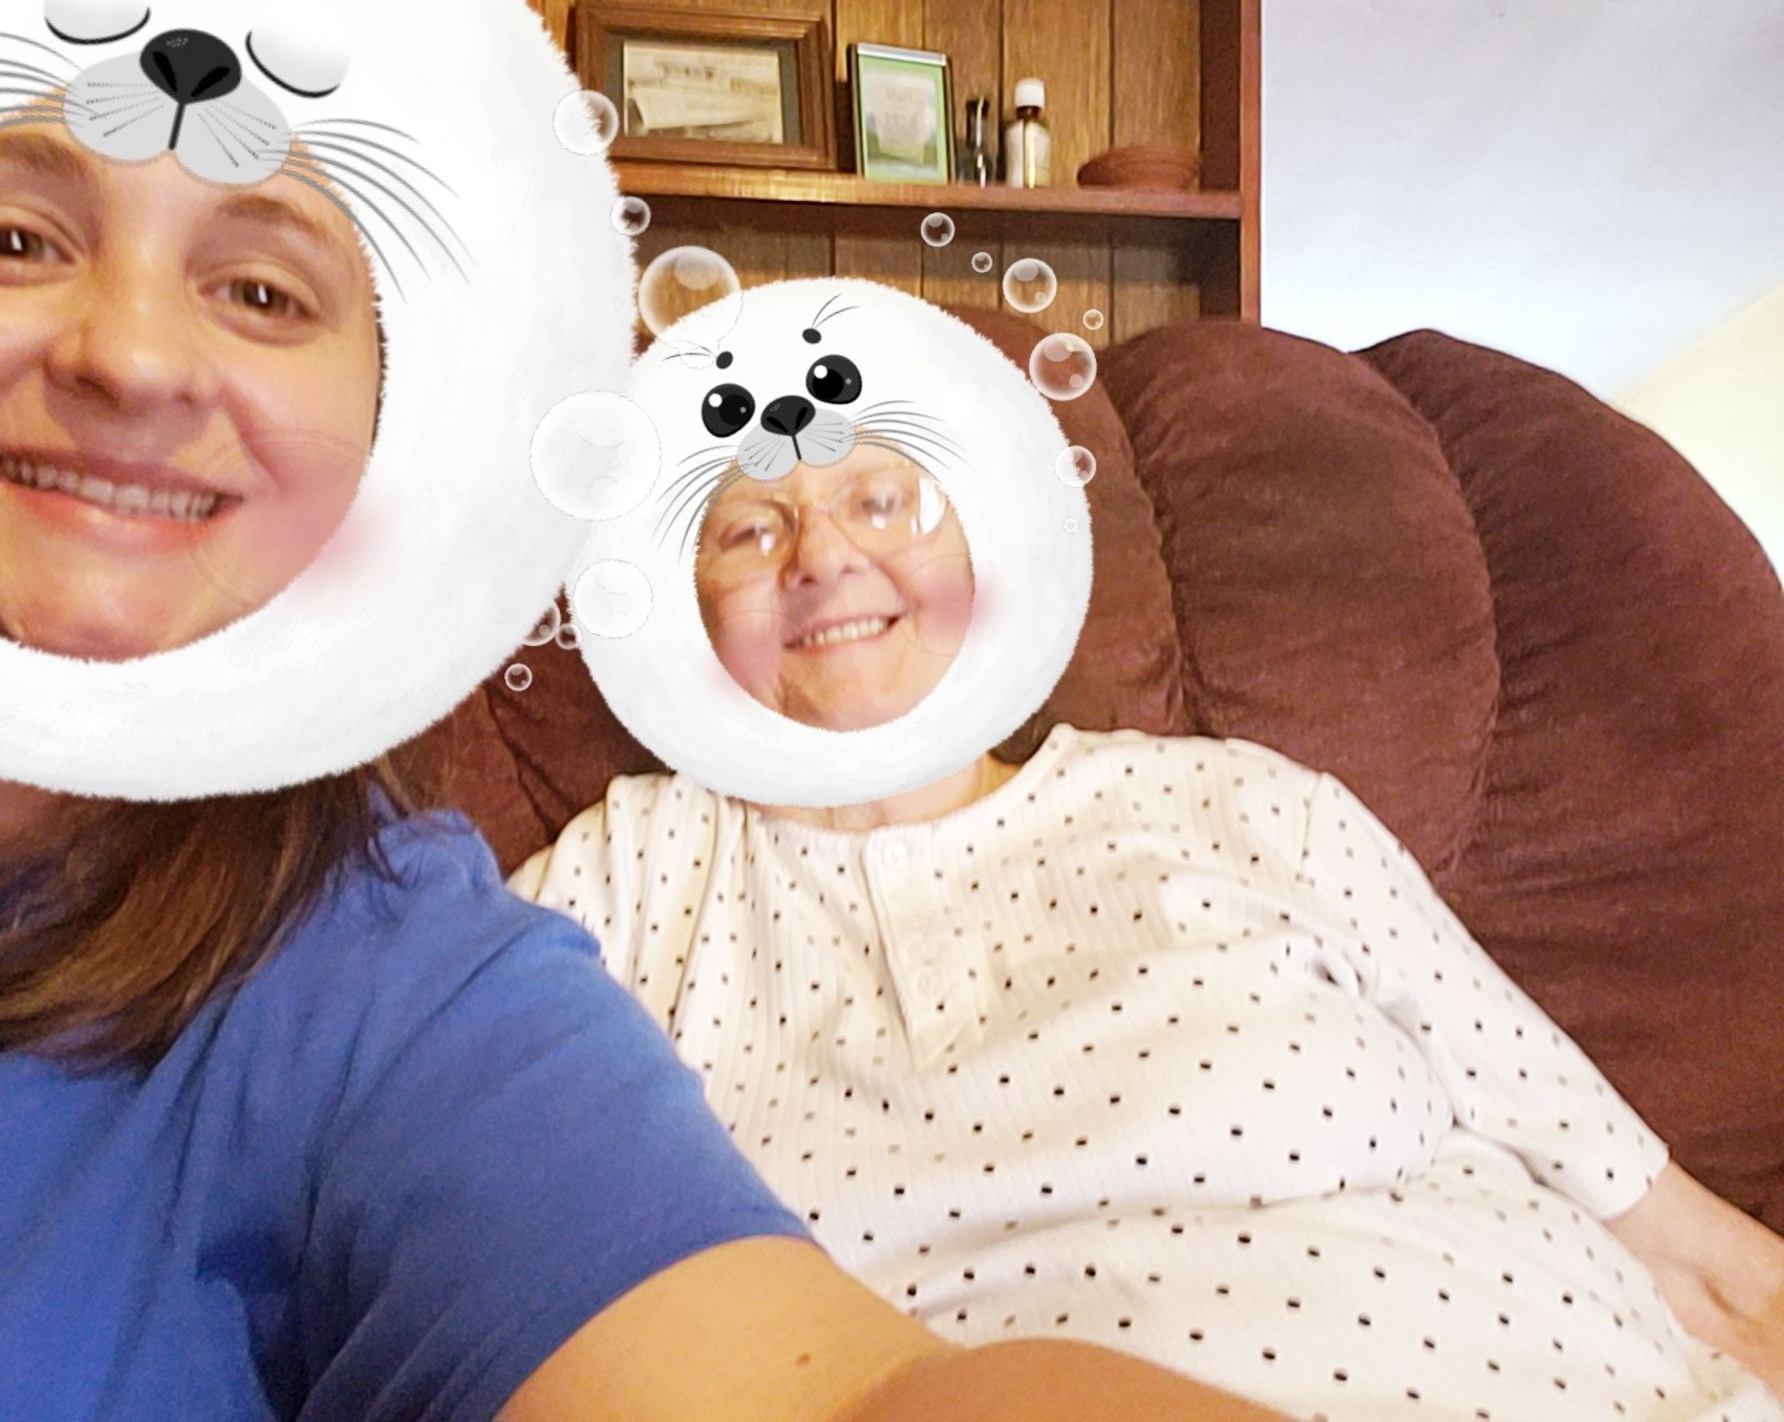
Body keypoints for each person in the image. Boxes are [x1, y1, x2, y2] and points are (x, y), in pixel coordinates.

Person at [0, 123, 1291, 1422]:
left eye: (264, 287)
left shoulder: (377, 966)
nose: (133, 356)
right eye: (11, 239)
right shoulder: (628, 860)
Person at [511, 442, 1784, 1422]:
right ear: (689, 609)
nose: (824, 554)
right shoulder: (629, 873)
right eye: (749, 527)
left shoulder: (1240, 805)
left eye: (881, 501)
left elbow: (1704, 1263)